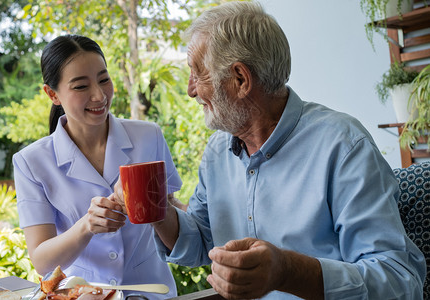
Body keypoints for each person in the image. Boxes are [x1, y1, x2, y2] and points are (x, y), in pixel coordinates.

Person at [112, 2, 427, 299]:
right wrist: (157, 211)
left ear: (240, 79)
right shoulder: (218, 151)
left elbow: (400, 280)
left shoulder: (343, 146)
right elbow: (202, 243)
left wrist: (288, 271)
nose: (191, 89)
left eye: (197, 73)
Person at [12, 34, 181, 299]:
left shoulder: (148, 136)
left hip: (152, 291)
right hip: (87, 295)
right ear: (52, 94)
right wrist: (86, 226)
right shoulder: (31, 162)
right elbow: (42, 261)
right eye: (81, 86)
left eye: (104, 79)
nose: (99, 95)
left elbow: (171, 210)